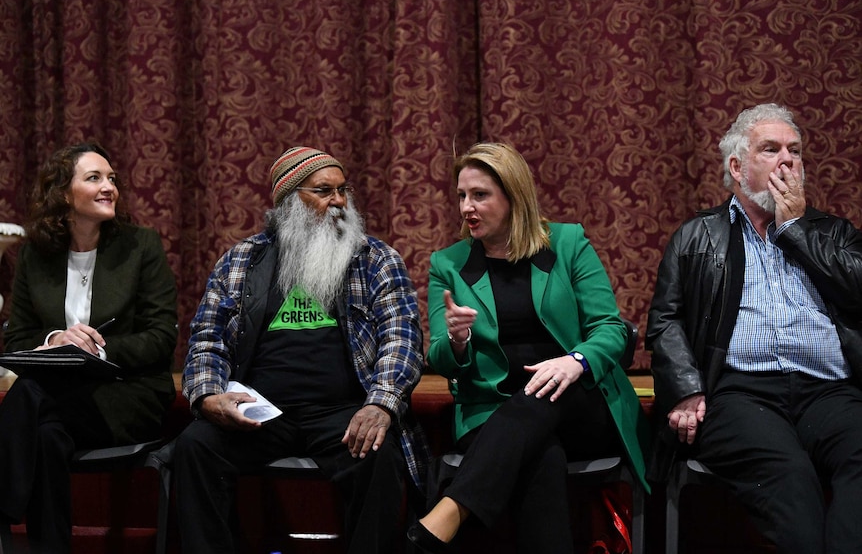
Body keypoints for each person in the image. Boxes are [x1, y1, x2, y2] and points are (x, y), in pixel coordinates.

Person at [173, 146, 429, 554]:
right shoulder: (240, 261)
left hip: (344, 414)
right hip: (261, 414)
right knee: (194, 448)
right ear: (289, 200)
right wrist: (207, 396)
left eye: (343, 190)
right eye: (324, 191)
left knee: (380, 459)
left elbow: (403, 338)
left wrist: (380, 405)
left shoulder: (375, 258)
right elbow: (207, 338)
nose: (340, 202)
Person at [408, 142, 650, 554]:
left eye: (480, 195)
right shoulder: (447, 263)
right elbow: (440, 360)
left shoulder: (568, 243)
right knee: (542, 458)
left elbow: (610, 329)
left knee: (546, 393)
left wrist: (576, 362)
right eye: (462, 196)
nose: (467, 207)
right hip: (490, 410)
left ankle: (450, 511)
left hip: (580, 403)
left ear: (513, 195)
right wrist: (457, 339)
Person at [646, 103, 862, 554]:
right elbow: (665, 319)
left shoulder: (834, 233)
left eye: (795, 151)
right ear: (738, 167)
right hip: (742, 393)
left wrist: (797, 230)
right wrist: (687, 388)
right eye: (771, 149)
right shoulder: (698, 235)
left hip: (830, 391)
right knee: (790, 477)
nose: (788, 160)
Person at [0, 143, 178, 554]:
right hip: (58, 400)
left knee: (31, 396)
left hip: (128, 392)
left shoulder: (140, 247)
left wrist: (94, 349)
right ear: (63, 193)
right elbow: (18, 337)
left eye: (112, 179)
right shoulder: (35, 256)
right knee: (46, 437)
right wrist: (54, 341)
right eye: (94, 178)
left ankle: (2, 508)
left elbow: (160, 336)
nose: (109, 187)